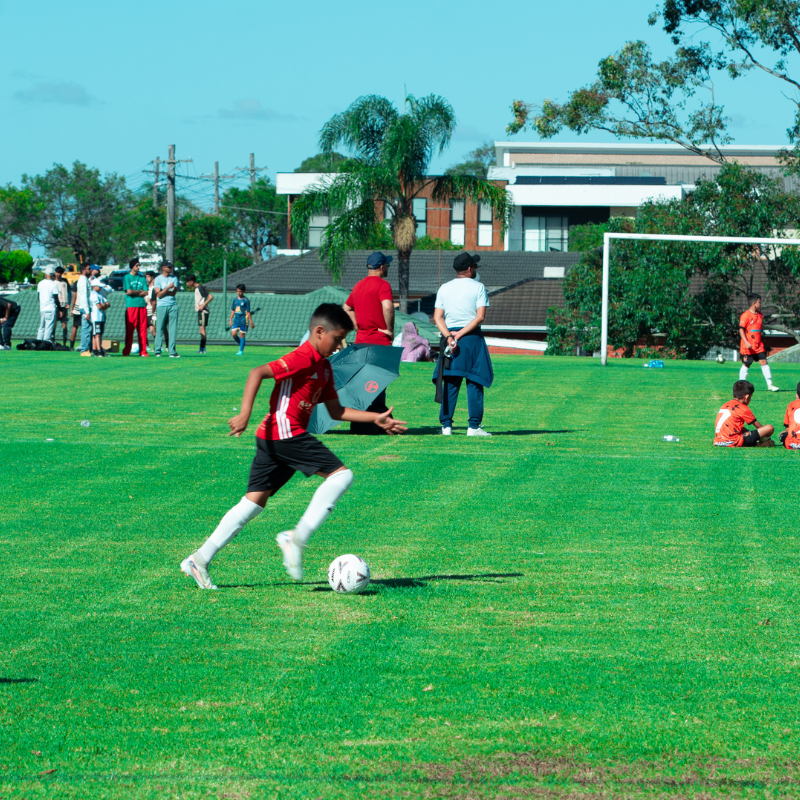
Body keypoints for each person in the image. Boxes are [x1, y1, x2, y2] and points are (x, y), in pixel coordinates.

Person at [180, 303, 407, 590]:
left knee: (253, 503)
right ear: (319, 331)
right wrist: (245, 414)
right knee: (342, 476)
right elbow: (257, 372)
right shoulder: (303, 357)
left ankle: (198, 560)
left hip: (274, 437)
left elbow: (336, 411)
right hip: (283, 432)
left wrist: (376, 418)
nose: (339, 346)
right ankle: (295, 538)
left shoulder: (324, 367)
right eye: (337, 339)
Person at [432, 251, 493, 437]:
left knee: (451, 381)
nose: (475, 269)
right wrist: (461, 334)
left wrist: (450, 337)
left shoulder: (444, 288)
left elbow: (437, 317)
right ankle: (473, 427)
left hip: (449, 337)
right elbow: (480, 317)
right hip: (471, 338)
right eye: (474, 266)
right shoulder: (479, 287)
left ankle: (446, 426)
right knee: (475, 381)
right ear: (468, 268)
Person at [343, 251, 396, 433]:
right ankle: (377, 423)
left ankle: (358, 423)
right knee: (378, 385)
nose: (388, 267)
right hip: (379, 342)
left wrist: (357, 325)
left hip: (360, 343)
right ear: (381, 267)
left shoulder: (358, 286)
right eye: (387, 265)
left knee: (363, 385)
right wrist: (389, 329)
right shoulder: (383, 285)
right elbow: (387, 306)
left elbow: (346, 308)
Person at [713, 380, 774, 447]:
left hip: (718, 441)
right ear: (747, 397)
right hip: (734, 441)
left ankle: (756, 441)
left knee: (741, 428)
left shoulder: (725, 405)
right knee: (769, 428)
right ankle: (763, 442)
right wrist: (764, 436)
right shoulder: (742, 408)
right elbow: (759, 427)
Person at [739, 293, 778, 391]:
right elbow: (741, 330)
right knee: (746, 364)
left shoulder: (760, 315)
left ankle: (770, 385)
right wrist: (746, 342)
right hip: (748, 346)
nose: (761, 304)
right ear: (754, 303)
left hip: (758, 345)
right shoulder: (745, 315)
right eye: (759, 302)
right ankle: (741, 385)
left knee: (764, 362)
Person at [122, 258, 149, 357]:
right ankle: (126, 351)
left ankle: (143, 351)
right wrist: (139, 291)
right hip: (131, 306)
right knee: (130, 330)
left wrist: (135, 292)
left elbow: (146, 292)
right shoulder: (127, 277)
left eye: (139, 265)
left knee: (142, 330)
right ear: (132, 266)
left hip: (141, 305)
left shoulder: (142, 278)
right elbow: (128, 291)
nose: (138, 267)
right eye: (137, 265)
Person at [154, 260, 179, 358]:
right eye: (169, 267)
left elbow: (173, 293)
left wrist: (163, 290)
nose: (170, 268)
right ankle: (157, 350)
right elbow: (159, 295)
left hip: (172, 305)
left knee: (173, 329)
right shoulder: (158, 279)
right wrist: (168, 288)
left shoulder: (174, 278)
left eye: (171, 267)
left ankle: (172, 351)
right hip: (161, 306)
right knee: (160, 328)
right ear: (163, 268)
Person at [185, 274, 213, 353]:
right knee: (201, 330)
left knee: (202, 330)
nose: (186, 284)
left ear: (191, 281)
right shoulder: (197, 289)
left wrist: (203, 305)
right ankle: (202, 348)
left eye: (187, 282)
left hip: (203, 311)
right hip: (200, 312)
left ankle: (202, 348)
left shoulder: (200, 288)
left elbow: (210, 297)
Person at [73, 262, 93, 356]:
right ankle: (84, 349)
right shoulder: (82, 280)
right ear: (83, 270)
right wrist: (87, 311)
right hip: (85, 307)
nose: (90, 270)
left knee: (88, 329)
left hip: (86, 307)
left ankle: (88, 348)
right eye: (88, 269)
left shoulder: (86, 280)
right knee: (86, 329)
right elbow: (84, 296)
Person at [36, 266, 59, 343]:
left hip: (42, 308)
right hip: (51, 308)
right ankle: (46, 342)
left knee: (41, 326)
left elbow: (38, 296)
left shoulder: (40, 283)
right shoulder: (53, 284)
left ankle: (38, 341)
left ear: (46, 274)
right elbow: (56, 297)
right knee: (49, 326)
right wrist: (59, 307)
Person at [229, 283, 253, 355]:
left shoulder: (246, 300)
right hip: (236, 320)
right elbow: (233, 310)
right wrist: (230, 319)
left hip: (243, 321)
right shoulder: (235, 300)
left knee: (242, 334)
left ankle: (241, 351)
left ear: (244, 291)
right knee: (233, 334)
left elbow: (248, 312)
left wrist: (251, 322)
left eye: (240, 291)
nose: (239, 293)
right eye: (237, 291)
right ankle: (242, 344)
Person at [89, 277, 110, 357]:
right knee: (97, 334)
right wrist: (104, 305)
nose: (100, 288)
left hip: (101, 317)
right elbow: (99, 306)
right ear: (94, 286)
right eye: (99, 286)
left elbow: (108, 304)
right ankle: (98, 351)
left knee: (99, 334)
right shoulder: (93, 295)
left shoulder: (100, 295)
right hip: (96, 317)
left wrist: (103, 305)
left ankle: (95, 350)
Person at [54, 266, 71, 347]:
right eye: (56, 272)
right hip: (56, 306)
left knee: (64, 324)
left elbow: (69, 292)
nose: (57, 274)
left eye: (59, 273)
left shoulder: (65, 281)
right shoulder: (53, 282)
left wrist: (69, 303)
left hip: (64, 306)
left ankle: (64, 343)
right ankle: (53, 341)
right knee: (54, 323)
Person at [779, 383, 800, 450]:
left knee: (782, 434)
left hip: (792, 444)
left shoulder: (791, 405)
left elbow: (787, 428)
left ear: (797, 395)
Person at [145, 270, 158, 348]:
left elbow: (154, 301)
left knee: (152, 330)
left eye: (148, 277)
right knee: (142, 330)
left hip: (152, 312)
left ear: (152, 277)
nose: (147, 278)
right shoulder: (146, 288)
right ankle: (146, 345)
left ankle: (158, 344)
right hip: (145, 311)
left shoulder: (154, 288)